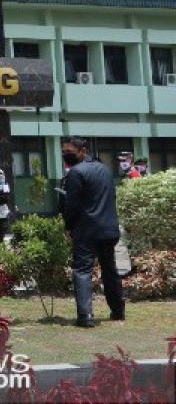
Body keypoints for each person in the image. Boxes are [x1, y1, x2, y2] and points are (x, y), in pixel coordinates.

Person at [61, 137, 125, 327]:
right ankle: (118, 311)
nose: (65, 155)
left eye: (69, 151)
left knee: (82, 270)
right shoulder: (105, 169)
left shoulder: (76, 173)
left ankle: (85, 316)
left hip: (86, 230)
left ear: (83, 150)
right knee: (110, 270)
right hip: (109, 229)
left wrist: (69, 227)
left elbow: (71, 206)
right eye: (64, 152)